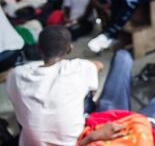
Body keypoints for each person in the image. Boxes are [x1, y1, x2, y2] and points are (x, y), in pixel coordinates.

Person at [5, 25, 135, 145]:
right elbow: (99, 65)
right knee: (122, 57)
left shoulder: (16, 75)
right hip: (80, 138)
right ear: (70, 48)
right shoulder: (77, 68)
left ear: (39, 49)